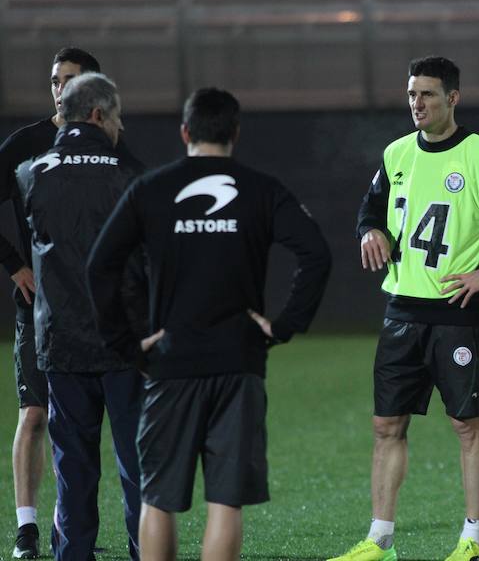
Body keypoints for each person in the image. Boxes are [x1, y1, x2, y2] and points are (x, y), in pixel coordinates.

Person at [86, 87, 332, 561]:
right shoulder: (262, 189)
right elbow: (316, 254)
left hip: (169, 362)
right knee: (225, 500)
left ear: (185, 132)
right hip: (238, 362)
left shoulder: (151, 188)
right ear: (235, 133)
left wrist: (127, 345)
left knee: (157, 500)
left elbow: (100, 267)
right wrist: (283, 325)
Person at [331, 56, 479, 561]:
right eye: (412, 94)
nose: (417, 103)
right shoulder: (396, 153)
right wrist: (368, 230)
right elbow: (370, 208)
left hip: (457, 313)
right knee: (387, 425)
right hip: (401, 311)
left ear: (453, 98)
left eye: (429, 95)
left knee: (467, 424)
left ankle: (473, 539)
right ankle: (380, 540)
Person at [0, 46, 134, 559]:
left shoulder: (57, 162)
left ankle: (70, 544)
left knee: (71, 445)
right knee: (36, 418)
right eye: (56, 79)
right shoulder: (28, 147)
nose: (61, 88)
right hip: (50, 312)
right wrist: (14, 263)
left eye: (71, 80)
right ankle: (27, 528)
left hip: (72, 324)